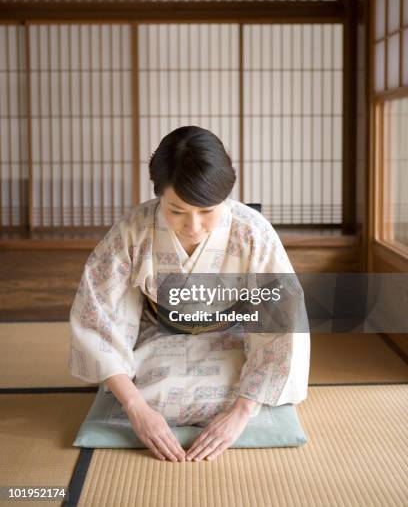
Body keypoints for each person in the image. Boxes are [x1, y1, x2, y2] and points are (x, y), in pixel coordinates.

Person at [68, 125, 310, 462]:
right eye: (177, 211)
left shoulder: (252, 232)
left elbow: (282, 318)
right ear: (159, 195)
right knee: (148, 400)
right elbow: (98, 314)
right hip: (161, 333)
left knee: (244, 396)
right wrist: (136, 407)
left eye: (207, 211)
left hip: (232, 336)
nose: (192, 227)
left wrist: (242, 410)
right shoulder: (133, 231)